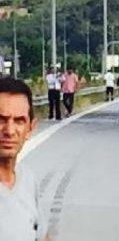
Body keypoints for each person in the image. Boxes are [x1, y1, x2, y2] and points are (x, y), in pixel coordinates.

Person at [0, 77, 48, 241]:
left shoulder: (27, 180)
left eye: (19, 121)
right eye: (1, 120)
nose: (9, 130)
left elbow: (41, 235)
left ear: (30, 128)